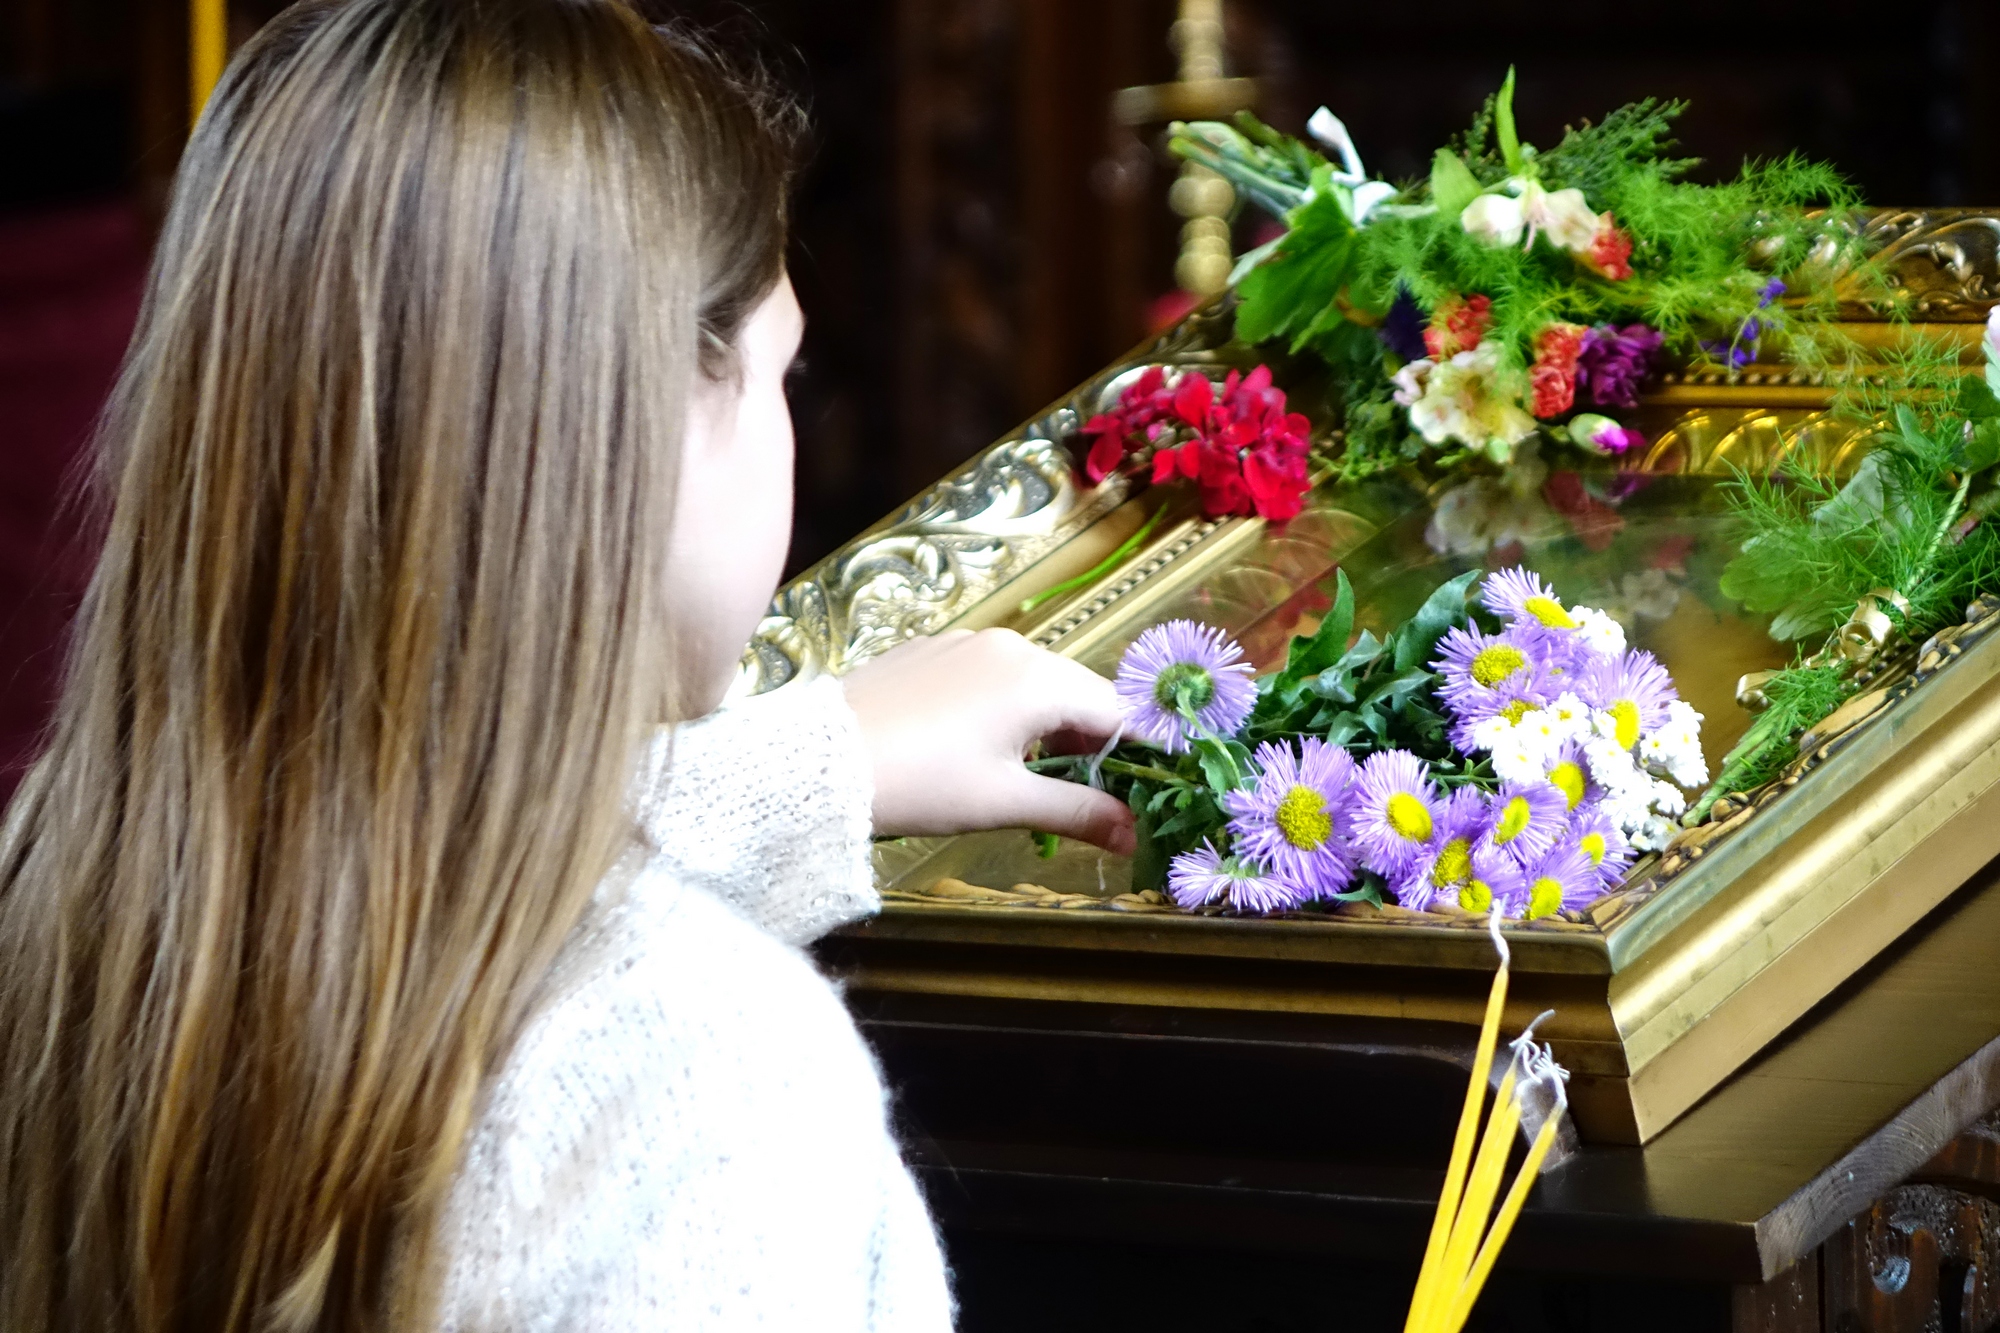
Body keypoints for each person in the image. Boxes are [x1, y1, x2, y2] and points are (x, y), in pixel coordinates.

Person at [0, 2, 1136, 1329]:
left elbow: (393, 868)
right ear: (643, 426)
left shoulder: (63, 893)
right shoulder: (710, 1082)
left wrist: (817, 764)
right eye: (781, 369)